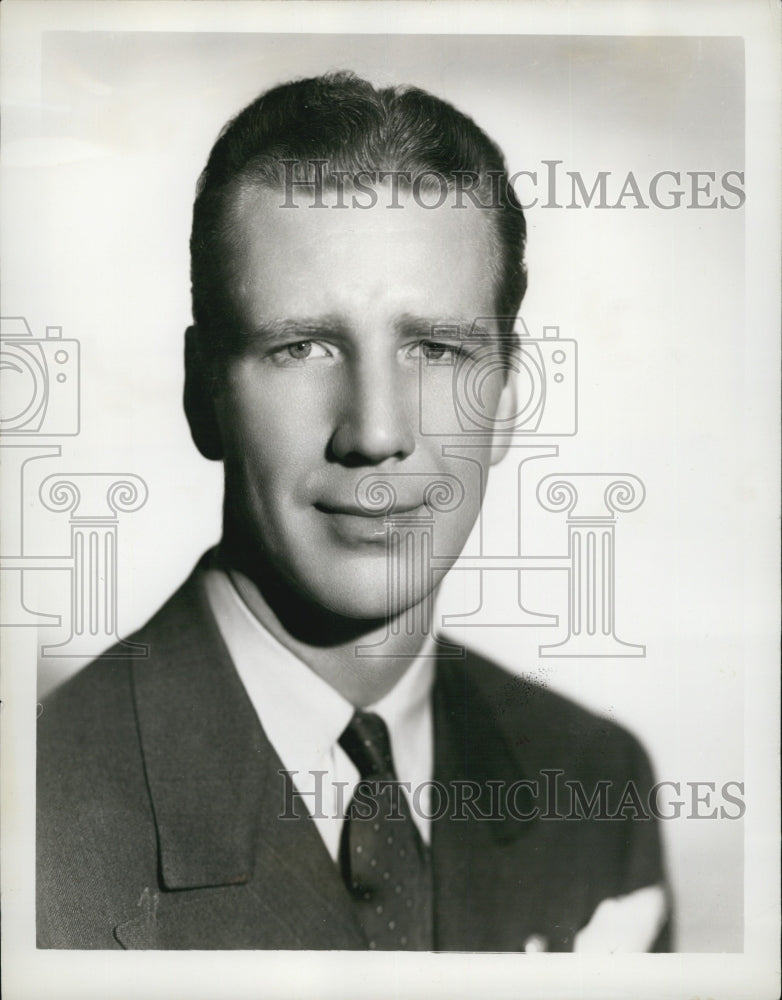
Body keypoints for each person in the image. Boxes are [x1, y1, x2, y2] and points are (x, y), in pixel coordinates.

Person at [37, 72, 671, 951]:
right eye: (300, 346)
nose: (377, 432)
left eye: (439, 349)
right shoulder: (31, 811)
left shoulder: (596, 784)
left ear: (508, 401)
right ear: (199, 394)